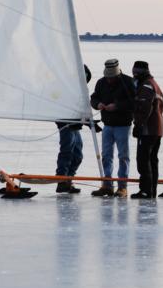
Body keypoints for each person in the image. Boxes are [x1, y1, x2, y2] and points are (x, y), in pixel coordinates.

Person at [90, 59, 136, 198]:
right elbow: (94, 98)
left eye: (112, 77)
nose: (109, 80)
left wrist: (117, 106)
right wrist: (97, 104)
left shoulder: (128, 82)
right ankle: (107, 185)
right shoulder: (101, 82)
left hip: (123, 125)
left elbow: (134, 102)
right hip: (107, 125)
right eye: (107, 77)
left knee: (123, 156)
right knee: (106, 155)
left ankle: (122, 187)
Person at [55, 64, 91, 193]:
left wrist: (90, 123)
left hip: (76, 126)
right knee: (66, 151)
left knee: (78, 155)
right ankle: (61, 180)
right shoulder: (64, 88)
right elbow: (57, 104)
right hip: (66, 124)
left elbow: (83, 109)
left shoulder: (82, 90)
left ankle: (69, 178)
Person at [131, 60, 163, 199]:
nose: (133, 75)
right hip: (157, 129)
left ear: (139, 72)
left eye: (135, 72)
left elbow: (145, 108)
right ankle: (151, 190)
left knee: (143, 161)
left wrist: (138, 125)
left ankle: (146, 191)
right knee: (152, 160)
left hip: (148, 130)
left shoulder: (146, 86)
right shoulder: (154, 84)